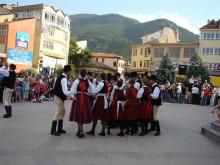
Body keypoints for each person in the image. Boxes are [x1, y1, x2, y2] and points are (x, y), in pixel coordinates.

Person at [69, 69, 94, 138]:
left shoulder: (77, 81)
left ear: (80, 73)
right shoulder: (88, 81)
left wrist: (72, 96)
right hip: (85, 98)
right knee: (82, 114)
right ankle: (80, 130)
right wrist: (87, 93)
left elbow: (72, 91)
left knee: (78, 114)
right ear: (86, 74)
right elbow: (93, 90)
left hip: (78, 98)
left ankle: (81, 130)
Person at [50, 65, 72, 136]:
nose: (70, 73)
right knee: (58, 112)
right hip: (58, 97)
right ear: (68, 71)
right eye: (70, 71)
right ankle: (53, 130)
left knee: (62, 112)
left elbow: (54, 86)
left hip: (58, 96)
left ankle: (59, 128)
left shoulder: (60, 77)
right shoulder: (64, 79)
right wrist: (72, 95)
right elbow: (65, 91)